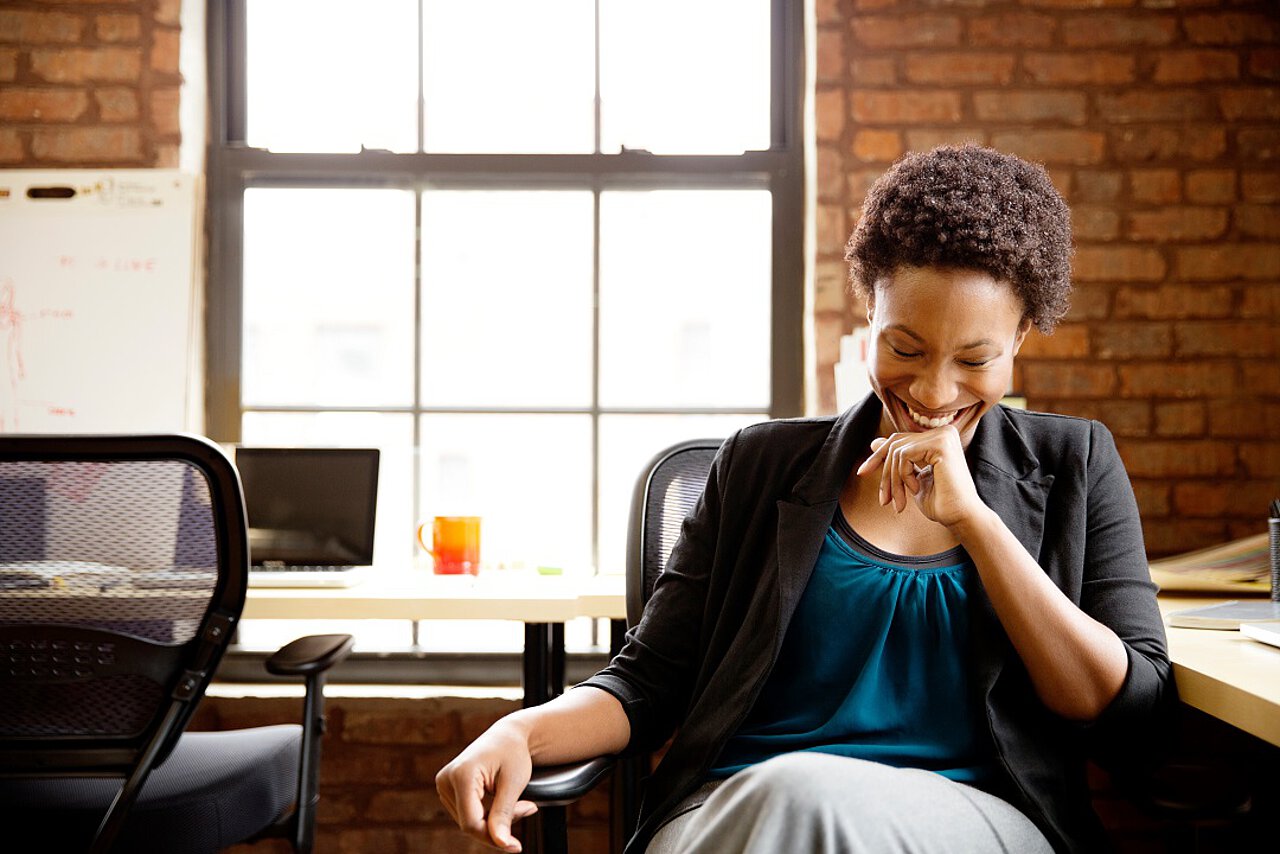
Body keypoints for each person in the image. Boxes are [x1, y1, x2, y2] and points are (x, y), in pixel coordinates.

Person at [436, 145, 1174, 854]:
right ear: (870, 320)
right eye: (904, 349)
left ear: (1021, 336)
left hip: (969, 821)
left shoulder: (1073, 463)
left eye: (975, 360)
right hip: (734, 812)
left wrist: (976, 524)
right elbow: (646, 684)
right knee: (791, 801)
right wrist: (520, 733)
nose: (933, 391)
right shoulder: (760, 466)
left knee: (808, 800)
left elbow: (1124, 704)